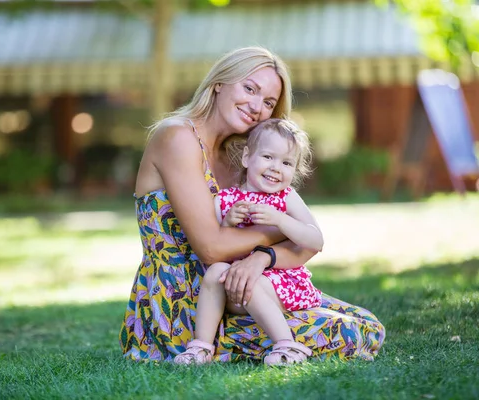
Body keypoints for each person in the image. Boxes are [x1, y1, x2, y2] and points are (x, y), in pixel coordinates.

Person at [119, 46, 385, 362]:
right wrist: (277, 227)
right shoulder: (177, 137)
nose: (257, 106)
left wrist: (263, 258)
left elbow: (310, 244)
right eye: (250, 89)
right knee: (349, 333)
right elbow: (212, 249)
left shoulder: (243, 155)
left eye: (269, 102)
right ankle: (213, 347)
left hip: (246, 287)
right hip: (184, 301)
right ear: (219, 82)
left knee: (368, 325)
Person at [174, 119, 322, 366]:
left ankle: (287, 345)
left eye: (286, 163)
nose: (276, 168)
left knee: (252, 280)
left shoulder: (287, 198)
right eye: (268, 157)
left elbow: (316, 240)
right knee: (215, 271)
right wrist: (228, 222)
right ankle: (201, 347)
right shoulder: (226, 199)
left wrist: (281, 220)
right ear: (246, 158)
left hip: (277, 284)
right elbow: (216, 244)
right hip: (233, 283)